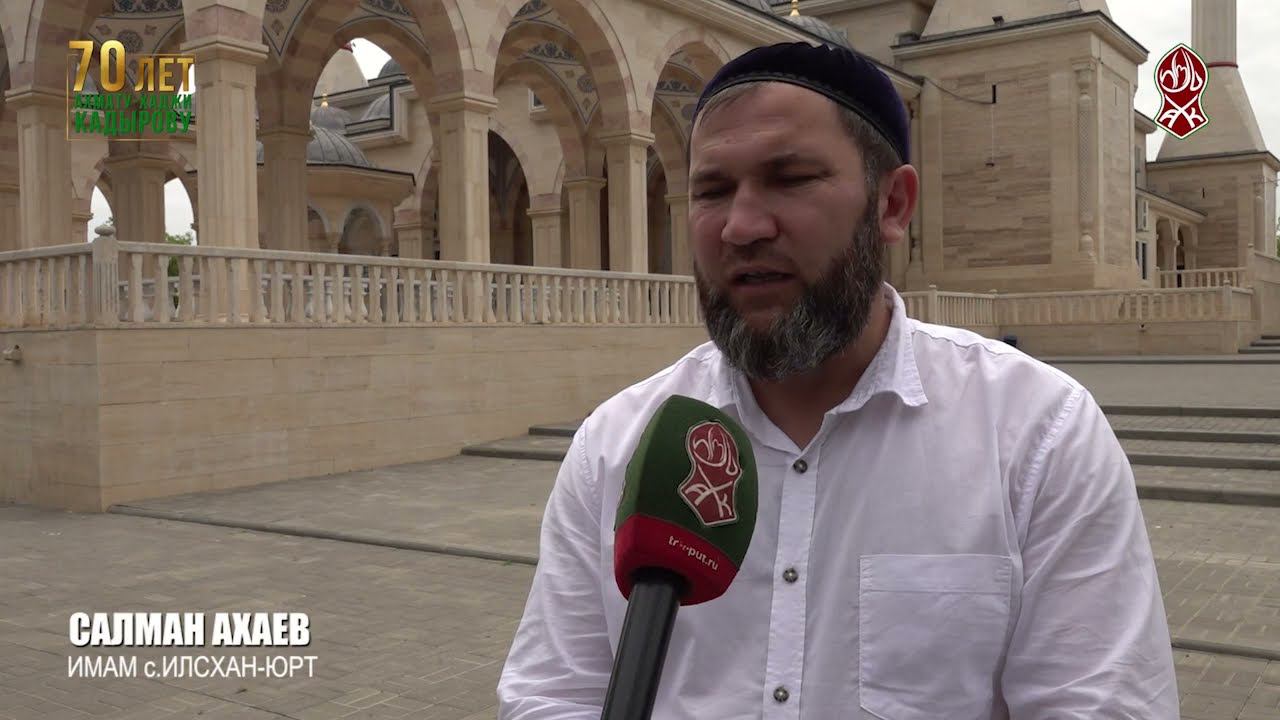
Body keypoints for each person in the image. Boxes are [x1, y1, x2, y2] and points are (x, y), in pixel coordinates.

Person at [497, 41, 1179, 719]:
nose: (741, 226)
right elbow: (551, 696)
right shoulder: (615, 445)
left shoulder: (1036, 432)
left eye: (791, 178)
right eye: (712, 191)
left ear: (892, 205)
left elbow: (1104, 705)